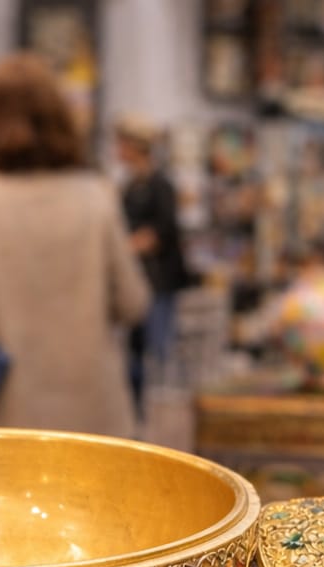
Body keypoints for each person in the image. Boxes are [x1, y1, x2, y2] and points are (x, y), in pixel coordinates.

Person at [0, 54, 149, 437]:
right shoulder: (97, 195)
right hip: (95, 419)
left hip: (4, 418)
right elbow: (133, 302)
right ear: (60, 120)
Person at [115, 114, 189, 414]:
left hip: (158, 281)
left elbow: (162, 231)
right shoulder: (129, 186)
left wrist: (126, 247)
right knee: (135, 353)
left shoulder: (160, 186)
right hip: (137, 279)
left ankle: (158, 416)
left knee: (157, 353)